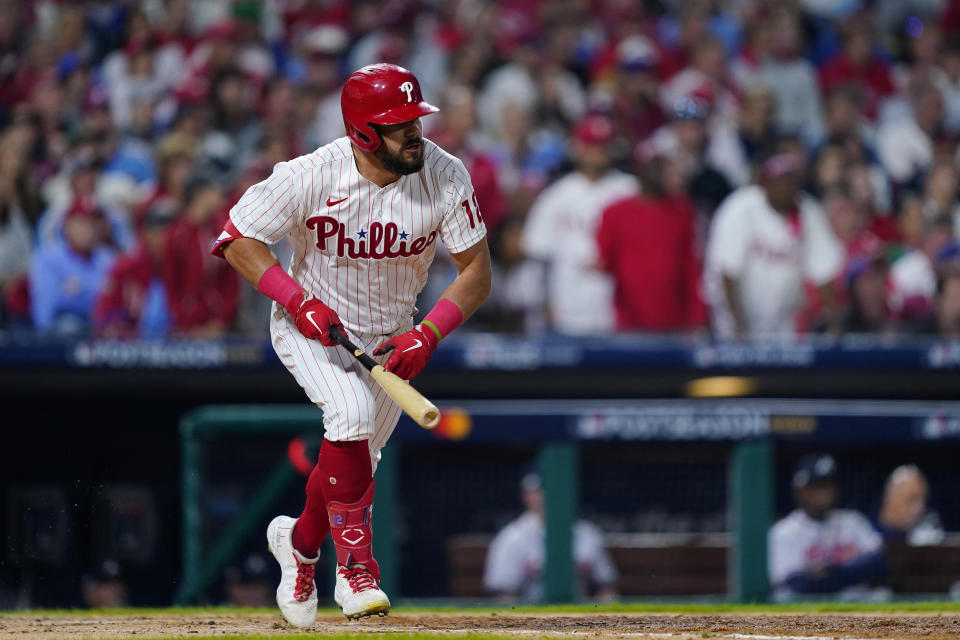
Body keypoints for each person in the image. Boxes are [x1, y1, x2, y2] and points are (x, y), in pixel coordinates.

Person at [211, 63, 490, 625]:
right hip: (311, 323)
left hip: (392, 337)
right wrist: (296, 299)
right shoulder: (310, 174)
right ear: (363, 132)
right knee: (351, 413)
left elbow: (477, 273)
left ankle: (301, 545)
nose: (415, 132)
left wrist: (427, 333)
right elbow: (237, 239)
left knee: (356, 456)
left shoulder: (445, 173)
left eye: (416, 119)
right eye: (399, 124)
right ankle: (356, 570)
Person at [703, 152, 844, 340]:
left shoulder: (808, 212)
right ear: (765, 184)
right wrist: (739, 329)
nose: (787, 187)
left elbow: (824, 273)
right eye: (780, 181)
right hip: (731, 317)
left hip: (781, 321)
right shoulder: (740, 209)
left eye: (792, 181)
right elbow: (728, 274)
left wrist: (834, 325)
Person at [520, 114, 638, 335]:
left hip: (619, 308)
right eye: (591, 145)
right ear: (577, 148)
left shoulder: (629, 190)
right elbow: (538, 255)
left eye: (602, 146)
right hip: (568, 307)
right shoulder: (556, 196)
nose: (596, 153)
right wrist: (544, 304)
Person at [596, 150, 707, 332]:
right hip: (630, 319)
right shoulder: (614, 212)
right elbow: (606, 261)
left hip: (676, 320)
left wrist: (698, 317)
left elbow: (692, 268)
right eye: (654, 168)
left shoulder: (683, 211)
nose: (660, 173)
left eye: (664, 168)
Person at [483, 470, 617, 603]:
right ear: (526, 496)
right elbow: (502, 595)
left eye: (552, 490)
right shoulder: (512, 537)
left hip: (579, 615)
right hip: (530, 616)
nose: (546, 496)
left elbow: (606, 587)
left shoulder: (587, 533)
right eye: (538, 491)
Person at [768, 453, 887, 602]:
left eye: (827, 485)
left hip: (855, 608)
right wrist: (851, 572)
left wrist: (833, 572)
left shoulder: (853, 521)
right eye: (816, 486)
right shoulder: (784, 532)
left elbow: (878, 563)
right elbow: (795, 583)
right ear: (799, 491)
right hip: (806, 613)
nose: (823, 493)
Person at [873, 464, 945, 545]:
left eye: (923, 500)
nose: (920, 508)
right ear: (889, 498)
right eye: (912, 499)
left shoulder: (922, 543)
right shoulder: (865, 539)